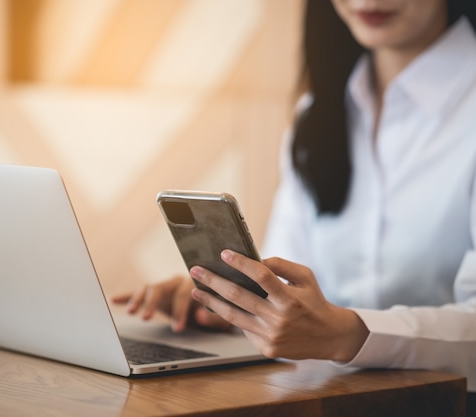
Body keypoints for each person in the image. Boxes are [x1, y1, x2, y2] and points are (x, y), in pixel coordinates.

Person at [113, 0, 476, 411]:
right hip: (325, 399)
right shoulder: (317, 113)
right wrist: (234, 304)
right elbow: (291, 287)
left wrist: (348, 334)